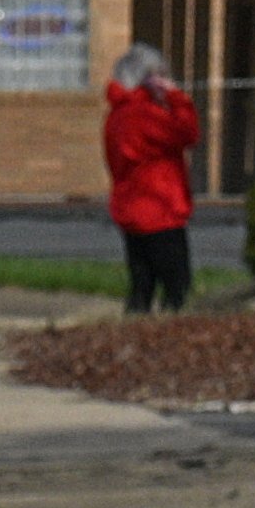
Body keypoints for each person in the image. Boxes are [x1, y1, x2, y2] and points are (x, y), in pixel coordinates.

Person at [102, 43, 203, 315]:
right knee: (177, 291)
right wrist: (176, 97)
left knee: (141, 286)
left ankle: (137, 332)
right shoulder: (145, 114)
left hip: (131, 210)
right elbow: (187, 133)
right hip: (160, 210)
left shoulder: (116, 116)